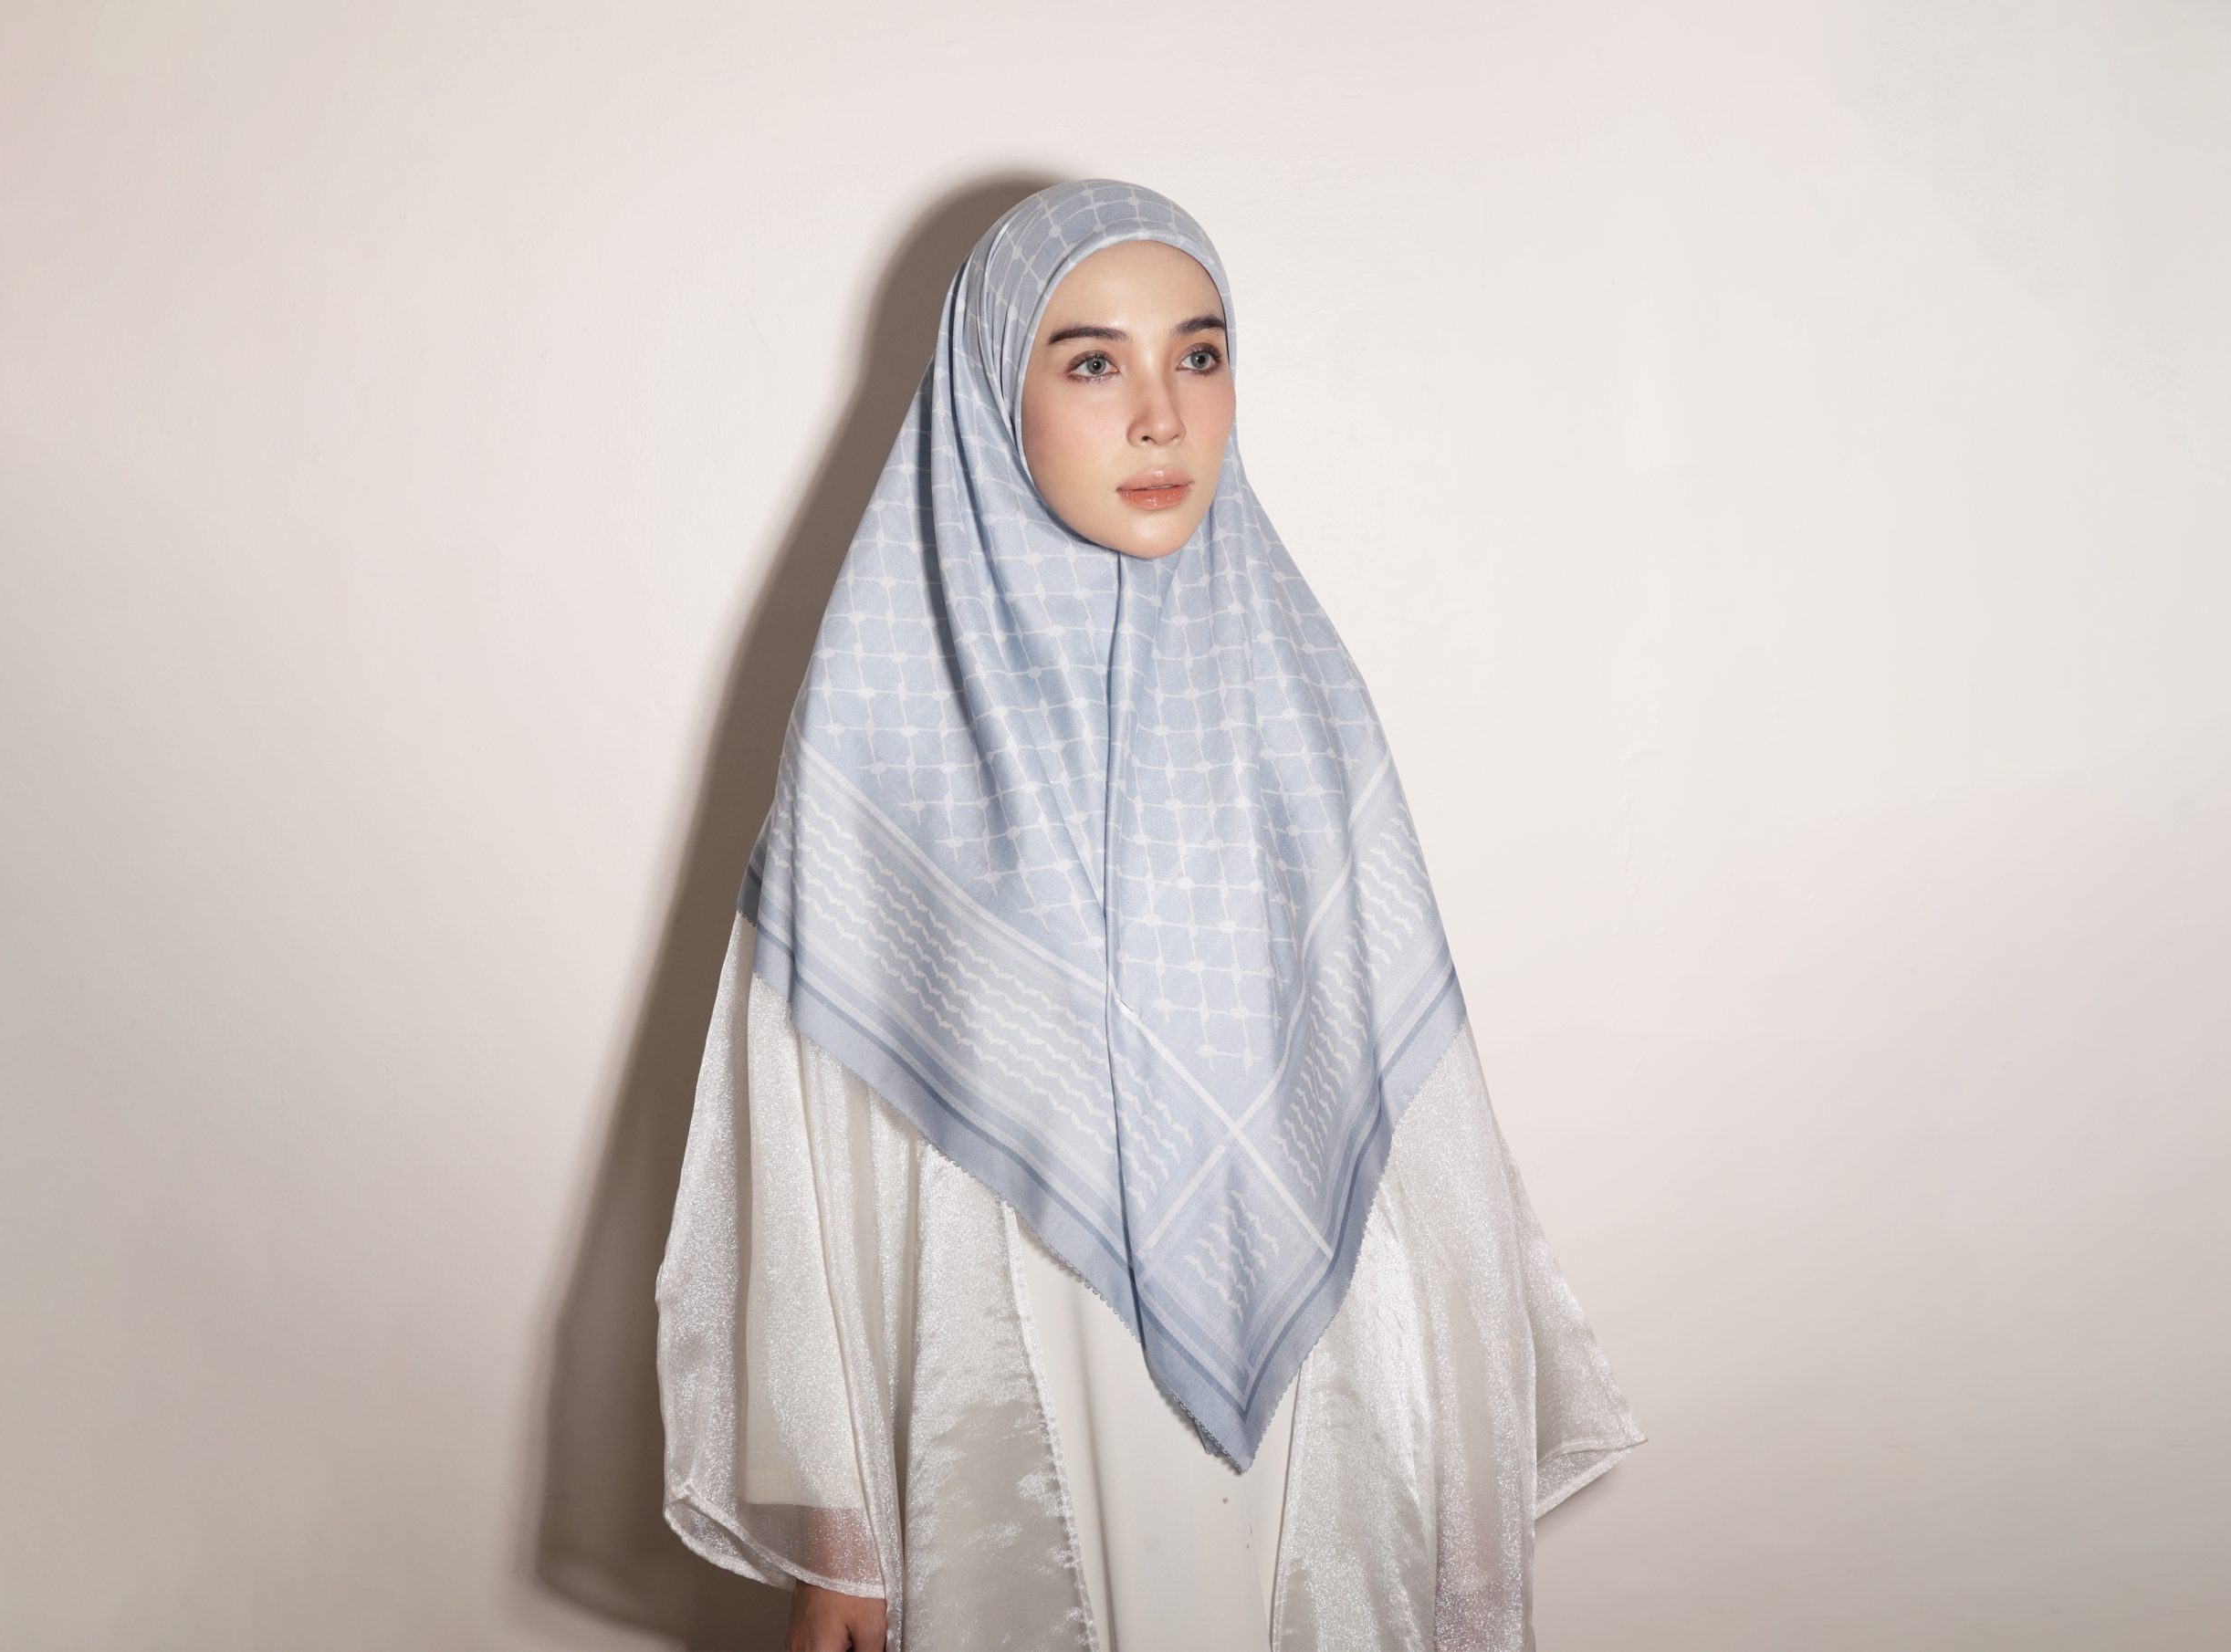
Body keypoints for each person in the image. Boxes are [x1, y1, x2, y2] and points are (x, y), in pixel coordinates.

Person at [654, 178, 1645, 1652]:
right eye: (1092, 362)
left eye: (1199, 353)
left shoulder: (1301, 702)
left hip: (1312, 1403)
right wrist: (845, 1541)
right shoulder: (880, 725)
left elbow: (1418, 1125)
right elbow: (813, 1144)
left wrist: (1465, 1526)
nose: (1163, 417)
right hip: (1011, 1392)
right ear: (994, 393)